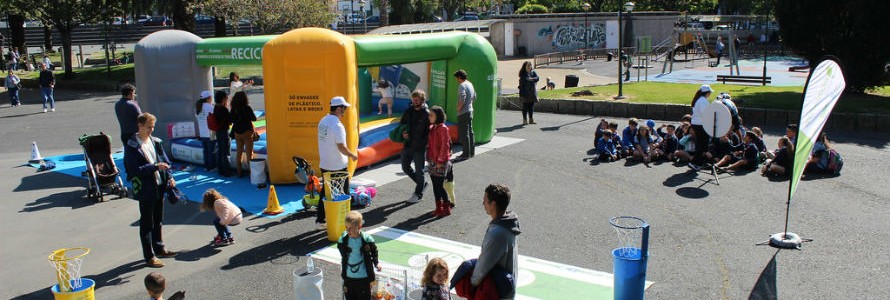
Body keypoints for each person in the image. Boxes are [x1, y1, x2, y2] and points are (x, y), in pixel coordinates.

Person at [124, 113, 178, 268]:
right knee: (147, 222)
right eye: (148, 127)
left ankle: (159, 248)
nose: (151, 130)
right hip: (145, 188)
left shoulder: (155, 142)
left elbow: (165, 161)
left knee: (158, 219)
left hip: (159, 185)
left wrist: (169, 176)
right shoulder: (132, 145)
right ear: (139, 126)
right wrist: (154, 167)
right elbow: (133, 170)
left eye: (153, 127)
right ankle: (149, 256)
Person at [471, 184, 520, 298]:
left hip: (497, 290)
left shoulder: (497, 233)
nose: (483, 203)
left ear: (493, 204)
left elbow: (485, 262)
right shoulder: (509, 223)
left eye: (485, 200)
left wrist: (472, 283)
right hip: (507, 287)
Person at [317, 96, 359, 229]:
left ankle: (320, 220)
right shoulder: (337, 125)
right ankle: (346, 223)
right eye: (344, 108)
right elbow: (341, 147)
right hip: (338, 165)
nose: (344, 111)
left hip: (325, 163)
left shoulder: (323, 121)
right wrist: (352, 155)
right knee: (343, 193)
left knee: (326, 192)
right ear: (339, 108)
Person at [337, 211, 381, 300]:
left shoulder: (366, 239)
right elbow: (340, 246)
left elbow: (374, 251)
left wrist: (376, 263)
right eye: (346, 227)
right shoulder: (344, 239)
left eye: (352, 228)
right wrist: (344, 250)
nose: (348, 231)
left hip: (363, 277)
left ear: (359, 227)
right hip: (348, 277)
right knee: (349, 297)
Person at [401, 89, 430, 203]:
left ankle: (418, 193)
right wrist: (403, 133)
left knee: (419, 171)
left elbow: (429, 132)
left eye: (417, 99)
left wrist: (426, 144)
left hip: (420, 146)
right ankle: (422, 184)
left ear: (422, 100)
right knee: (405, 167)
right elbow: (402, 124)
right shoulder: (408, 111)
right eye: (413, 99)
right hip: (408, 144)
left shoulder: (427, 114)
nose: (415, 101)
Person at [427, 105, 452, 216]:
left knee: (439, 186)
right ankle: (439, 207)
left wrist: (440, 160)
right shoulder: (432, 128)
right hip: (432, 160)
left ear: (438, 116)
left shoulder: (443, 129)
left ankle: (446, 207)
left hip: (440, 161)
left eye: (431, 115)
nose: (429, 117)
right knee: (435, 186)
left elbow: (445, 146)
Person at [229, 91, 257, 177]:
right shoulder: (247, 108)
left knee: (239, 152)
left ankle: (239, 171)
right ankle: (251, 172)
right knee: (249, 153)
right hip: (247, 132)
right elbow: (254, 118)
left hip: (237, 132)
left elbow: (231, 120)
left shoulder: (234, 109)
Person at [688, 85, 712, 170]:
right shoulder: (703, 101)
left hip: (697, 123)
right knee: (702, 144)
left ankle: (699, 162)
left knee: (701, 143)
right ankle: (695, 162)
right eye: (710, 92)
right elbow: (705, 113)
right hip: (700, 124)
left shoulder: (699, 100)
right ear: (707, 92)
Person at [454, 69, 475, 160]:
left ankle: (466, 154)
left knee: (464, 133)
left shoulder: (461, 86)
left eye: (456, 78)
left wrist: (458, 108)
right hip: (470, 110)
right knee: (470, 131)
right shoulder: (470, 84)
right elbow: (474, 96)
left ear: (459, 77)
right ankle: (471, 152)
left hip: (463, 112)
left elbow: (462, 98)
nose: (456, 80)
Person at [212, 91, 233, 177]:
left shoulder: (215, 108)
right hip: (224, 131)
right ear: (223, 99)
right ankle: (227, 171)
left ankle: (220, 169)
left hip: (218, 131)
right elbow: (230, 120)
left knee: (220, 151)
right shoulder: (223, 109)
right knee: (226, 152)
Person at [194, 91, 216, 171]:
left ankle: (206, 166)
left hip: (202, 132)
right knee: (211, 151)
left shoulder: (197, 108)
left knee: (205, 151)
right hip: (210, 132)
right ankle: (212, 167)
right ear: (208, 98)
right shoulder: (210, 107)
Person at [518, 61, 539, 125]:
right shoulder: (523, 74)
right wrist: (532, 79)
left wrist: (531, 79)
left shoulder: (533, 72)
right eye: (528, 65)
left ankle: (531, 119)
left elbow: (537, 78)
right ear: (524, 67)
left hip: (532, 92)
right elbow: (526, 80)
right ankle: (524, 120)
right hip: (524, 93)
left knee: (531, 106)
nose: (529, 67)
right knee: (525, 107)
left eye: (530, 65)